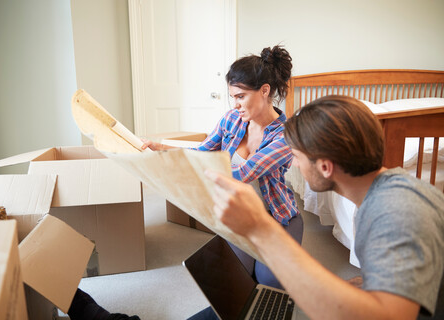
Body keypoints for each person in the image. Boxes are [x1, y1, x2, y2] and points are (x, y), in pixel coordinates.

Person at [205, 95, 444, 320]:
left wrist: (262, 230)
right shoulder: (379, 195)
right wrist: (366, 284)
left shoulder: (398, 210)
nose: (295, 165)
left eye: (296, 157)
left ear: (325, 167)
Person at [142, 45, 302, 290]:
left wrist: (189, 174)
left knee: (269, 283)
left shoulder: (285, 135)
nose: (236, 105)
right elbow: (202, 152)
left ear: (264, 91)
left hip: (276, 217)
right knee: (236, 280)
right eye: (233, 97)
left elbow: (243, 174)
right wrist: (161, 149)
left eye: (241, 97)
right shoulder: (231, 120)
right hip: (243, 214)